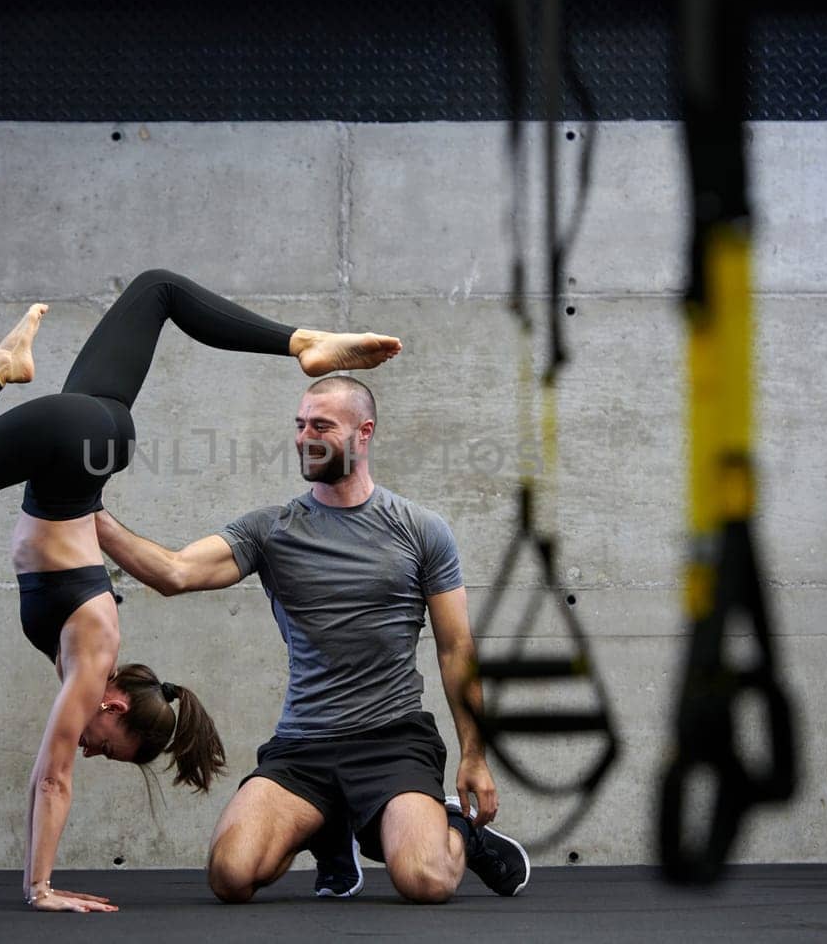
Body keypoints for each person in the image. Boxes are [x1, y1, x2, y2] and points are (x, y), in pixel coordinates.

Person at [0, 270, 403, 912]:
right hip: (71, 440)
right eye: (106, 745)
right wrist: (38, 888)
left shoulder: (84, 650)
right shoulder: (95, 647)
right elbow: (52, 779)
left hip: (97, 436)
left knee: (157, 291)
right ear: (117, 708)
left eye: (97, 752)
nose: (88, 746)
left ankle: (304, 343)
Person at [94, 374, 531, 904]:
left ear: (363, 433)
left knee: (426, 880)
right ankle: (329, 832)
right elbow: (175, 573)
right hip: (304, 744)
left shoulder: (420, 529)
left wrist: (474, 755)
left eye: (321, 425)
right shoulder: (271, 530)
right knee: (230, 876)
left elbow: (456, 647)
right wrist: (87, 511)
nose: (305, 436)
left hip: (392, 740)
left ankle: (459, 827)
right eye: (300, 425)